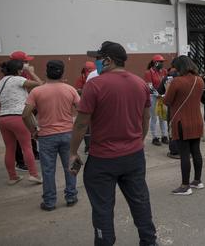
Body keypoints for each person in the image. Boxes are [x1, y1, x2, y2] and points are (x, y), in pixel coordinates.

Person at [69, 41, 157, 245]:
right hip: (134, 156)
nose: (96, 63)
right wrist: (138, 141)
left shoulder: (95, 85)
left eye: (98, 59)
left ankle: (104, 241)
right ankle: (149, 241)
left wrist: (73, 152)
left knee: (102, 209)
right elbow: (145, 120)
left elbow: (81, 124)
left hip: (103, 159)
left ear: (108, 60)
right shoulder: (139, 83)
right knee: (140, 202)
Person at [23, 60, 80, 211]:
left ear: (46, 72)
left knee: (48, 170)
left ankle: (49, 202)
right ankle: (71, 197)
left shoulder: (37, 91)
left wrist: (33, 131)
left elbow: (25, 115)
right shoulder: (70, 90)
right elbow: (81, 110)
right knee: (71, 166)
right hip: (68, 134)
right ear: (63, 73)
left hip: (46, 136)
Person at [0, 59, 43, 185]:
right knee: (26, 146)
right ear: (18, 70)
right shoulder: (18, 79)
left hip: (3, 119)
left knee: (10, 148)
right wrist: (31, 71)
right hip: (18, 117)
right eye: (22, 69)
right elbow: (40, 84)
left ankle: (12, 177)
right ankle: (34, 175)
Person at [164, 56, 205, 196]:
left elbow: (167, 101)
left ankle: (185, 185)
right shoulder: (200, 80)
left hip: (182, 121)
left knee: (185, 154)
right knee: (196, 151)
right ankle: (197, 180)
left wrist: (168, 88)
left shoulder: (177, 81)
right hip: (197, 120)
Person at [10, 50, 40, 168]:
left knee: (31, 129)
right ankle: (20, 161)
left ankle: (34, 153)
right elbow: (39, 84)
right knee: (20, 135)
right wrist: (31, 72)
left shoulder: (22, 74)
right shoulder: (17, 76)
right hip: (18, 109)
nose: (28, 63)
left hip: (26, 104)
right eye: (25, 61)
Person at [157, 57, 183, 159]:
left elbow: (160, 91)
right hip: (185, 106)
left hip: (172, 107)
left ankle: (174, 151)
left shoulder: (167, 77)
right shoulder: (186, 76)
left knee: (172, 128)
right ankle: (184, 150)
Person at [144, 55, 169, 146]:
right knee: (154, 117)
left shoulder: (164, 71)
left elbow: (167, 83)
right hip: (153, 97)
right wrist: (157, 94)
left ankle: (164, 135)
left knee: (163, 116)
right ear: (155, 63)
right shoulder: (148, 72)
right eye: (160, 62)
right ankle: (155, 137)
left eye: (163, 62)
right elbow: (149, 86)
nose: (162, 64)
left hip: (162, 97)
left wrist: (165, 93)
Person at [75, 61, 96, 154]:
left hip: (96, 105)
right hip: (85, 105)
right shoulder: (81, 78)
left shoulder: (96, 76)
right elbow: (78, 90)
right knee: (86, 127)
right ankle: (88, 147)